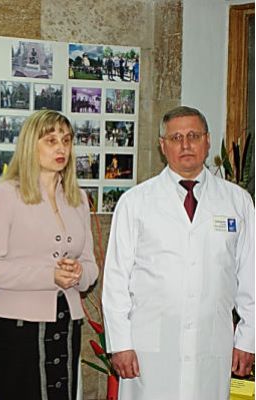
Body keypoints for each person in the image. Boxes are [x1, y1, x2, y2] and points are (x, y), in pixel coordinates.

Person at [102, 106, 255, 400]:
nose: (185, 145)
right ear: (163, 146)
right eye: (176, 138)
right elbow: (116, 280)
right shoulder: (135, 202)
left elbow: (251, 277)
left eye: (193, 136)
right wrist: (120, 343)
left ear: (208, 141)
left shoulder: (237, 202)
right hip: (149, 349)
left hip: (212, 344)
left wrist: (248, 339)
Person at [0, 110, 99, 400]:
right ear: (31, 144)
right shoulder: (4, 193)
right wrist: (49, 276)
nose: (61, 148)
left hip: (67, 324)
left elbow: (91, 265)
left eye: (66, 140)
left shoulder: (78, 198)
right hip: (18, 329)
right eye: (51, 140)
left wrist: (80, 273)